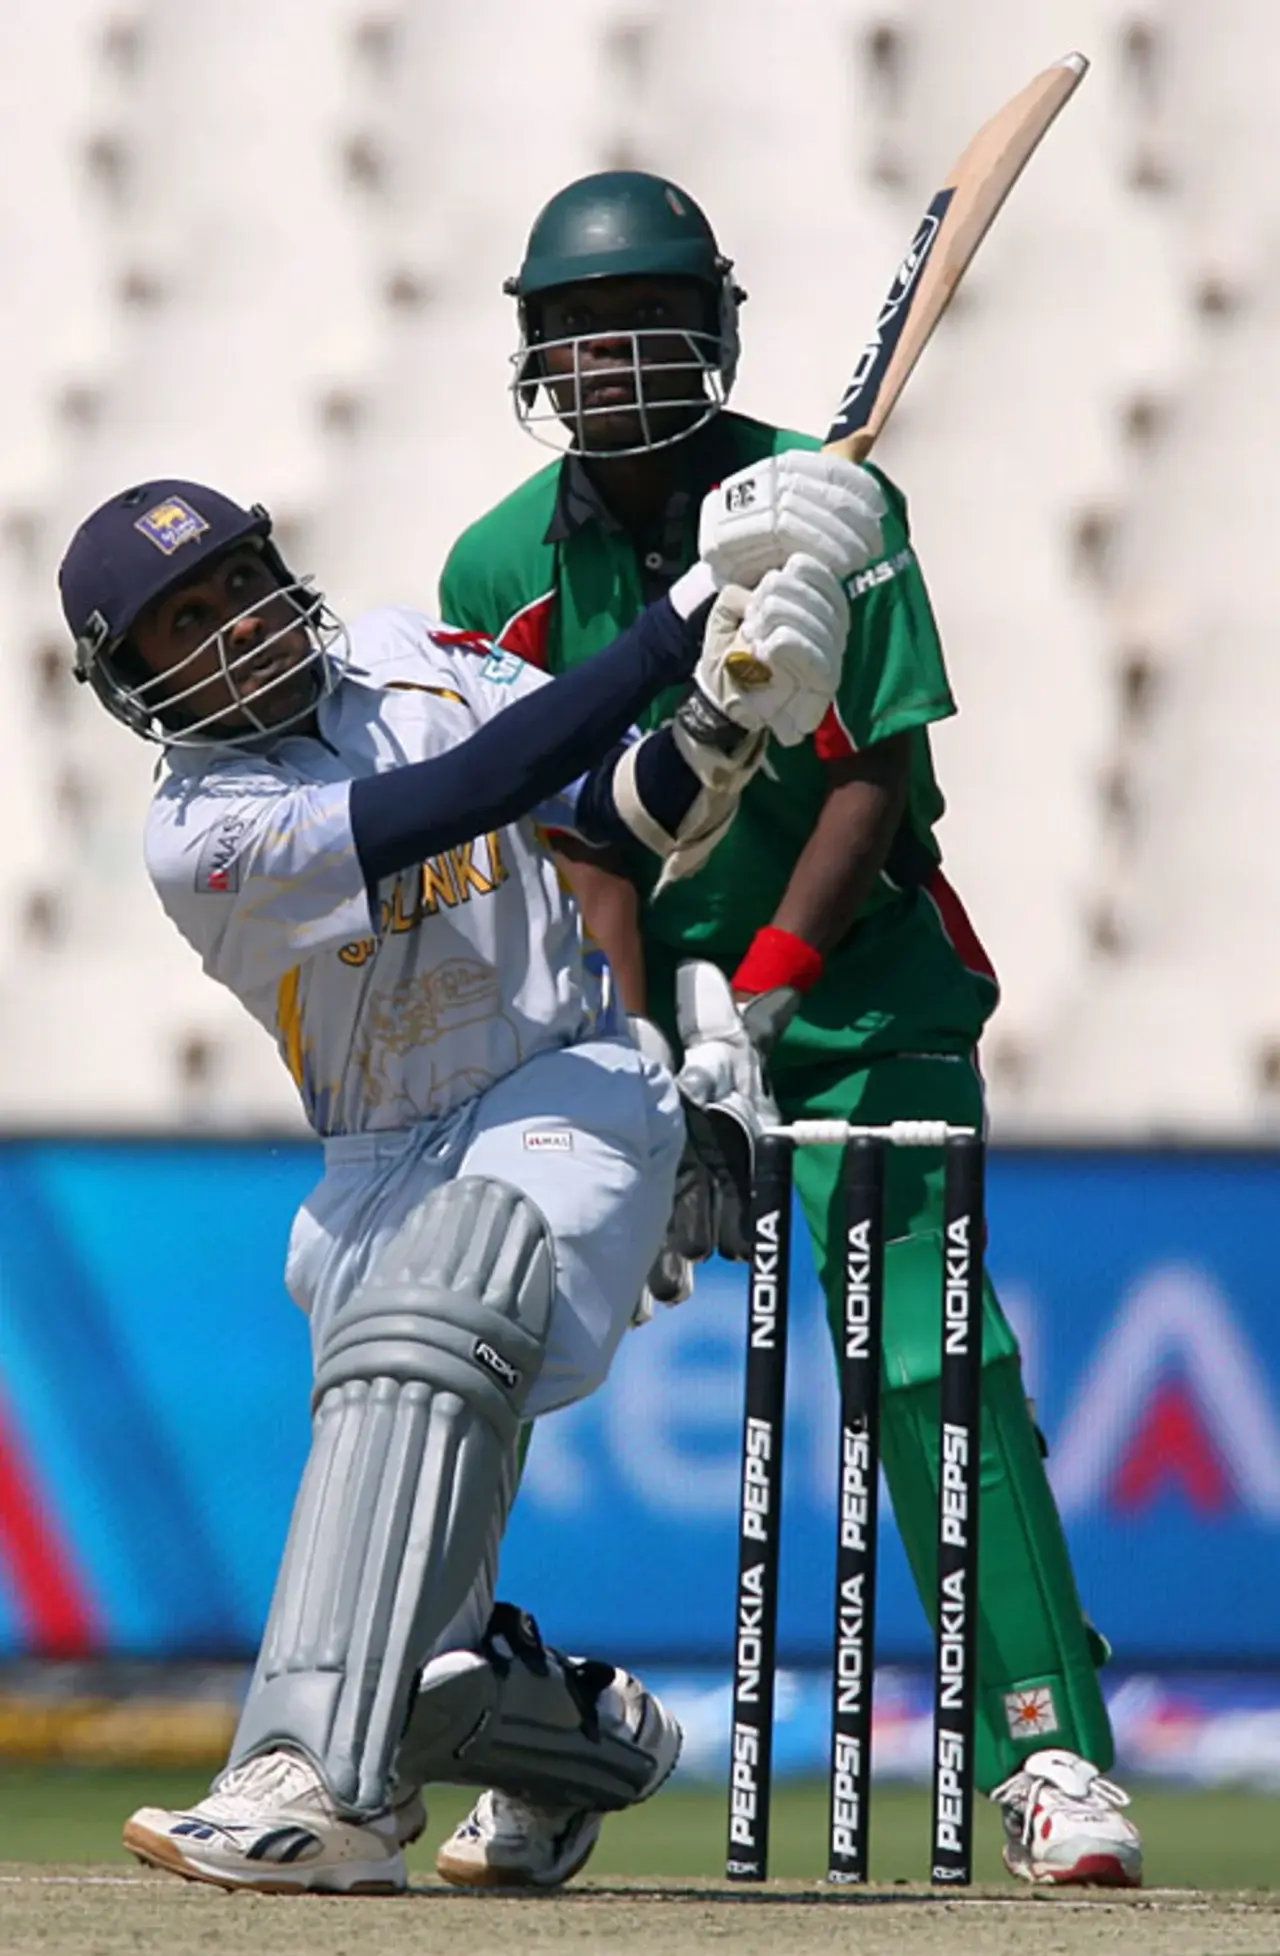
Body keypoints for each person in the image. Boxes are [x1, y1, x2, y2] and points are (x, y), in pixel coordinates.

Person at [435, 169, 1144, 1890]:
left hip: (860, 992)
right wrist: (642, 1043)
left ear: (715, 335)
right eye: (577, 337)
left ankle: (1044, 1748)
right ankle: (526, 1748)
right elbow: (568, 836)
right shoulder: (497, 564)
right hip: (622, 1004)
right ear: (532, 353)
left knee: (930, 1361)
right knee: (480, 1346)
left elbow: (875, 783)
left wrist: (757, 997)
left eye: (646, 329)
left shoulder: (842, 504)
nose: (611, 365)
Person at [58, 470, 880, 1892]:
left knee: (459, 1270)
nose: (232, 626)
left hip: (569, 1080)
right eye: (181, 623)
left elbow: (611, 817)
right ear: (131, 684)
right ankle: (571, 1748)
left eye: (238, 584)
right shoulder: (203, 831)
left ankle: (318, 1785)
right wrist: (685, 614)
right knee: (420, 1633)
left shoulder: (414, 662)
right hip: (377, 1159)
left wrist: (734, 705)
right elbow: (460, 800)